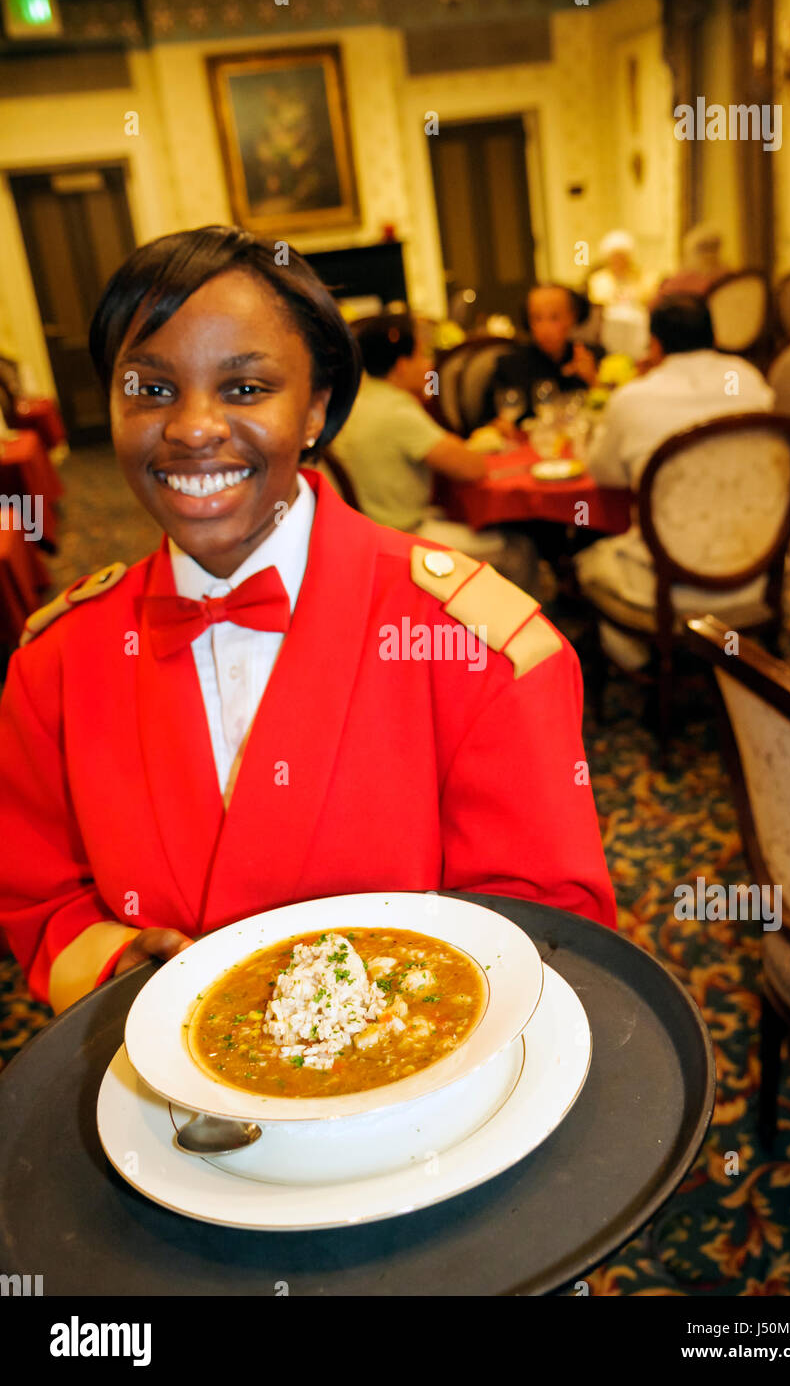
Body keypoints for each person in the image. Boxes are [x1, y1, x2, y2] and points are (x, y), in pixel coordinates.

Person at [0, 226, 616, 1014]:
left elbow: (550, 932)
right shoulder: (56, 663)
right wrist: (120, 967)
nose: (192, 427)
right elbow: (38, 899)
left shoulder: (478, 645)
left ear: (318, 408)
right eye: (150, 388)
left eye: (246, 388)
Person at [577, 293, 775, 670]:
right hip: (752, 569)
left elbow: (605, 475)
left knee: (587, 563)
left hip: (668, 587)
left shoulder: (632, 399)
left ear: (654, 344)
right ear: (713, 337)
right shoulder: (747, 380)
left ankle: (641, 663)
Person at [329, 311, 538, 592]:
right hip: (403, 539)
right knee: (519, 548)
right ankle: (517, 632)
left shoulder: (356, 401)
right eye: (422, 355)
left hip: (366, 537)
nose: (430, 365)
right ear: (402, 366)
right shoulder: (397, 410)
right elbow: (471, 468)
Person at [480, 284, 600, 426]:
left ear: (573, 317)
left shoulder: (592, 356)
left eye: (554, 318)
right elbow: (486, 421)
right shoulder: (510, 365)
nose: (545, 328)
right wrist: (499, 425)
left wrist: (593, 380)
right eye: (537, 318)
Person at [654, 222, 732, 302]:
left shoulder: (728, 280)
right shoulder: (677, 283)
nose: (709, 254)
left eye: (713, 246)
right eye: (704, 247)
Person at [587, 231, 658, 309]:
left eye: (622, 257)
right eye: (615, 257)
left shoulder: (644, 280)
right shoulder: (598, 281)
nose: (618, 261)